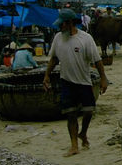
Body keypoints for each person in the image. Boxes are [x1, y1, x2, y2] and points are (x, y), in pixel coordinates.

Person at [43, 8, 109, 156]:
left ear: (70, 23)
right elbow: (54, 59)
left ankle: (83, 133)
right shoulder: (58, 38)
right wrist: (46, 75)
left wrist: (103, 78)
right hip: (66, 81)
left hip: (84, 82)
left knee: (88, 111)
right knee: (71, 114)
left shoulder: (85, 39)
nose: (60, 27)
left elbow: (97, 61)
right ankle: (74, 145)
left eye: (62, 24)